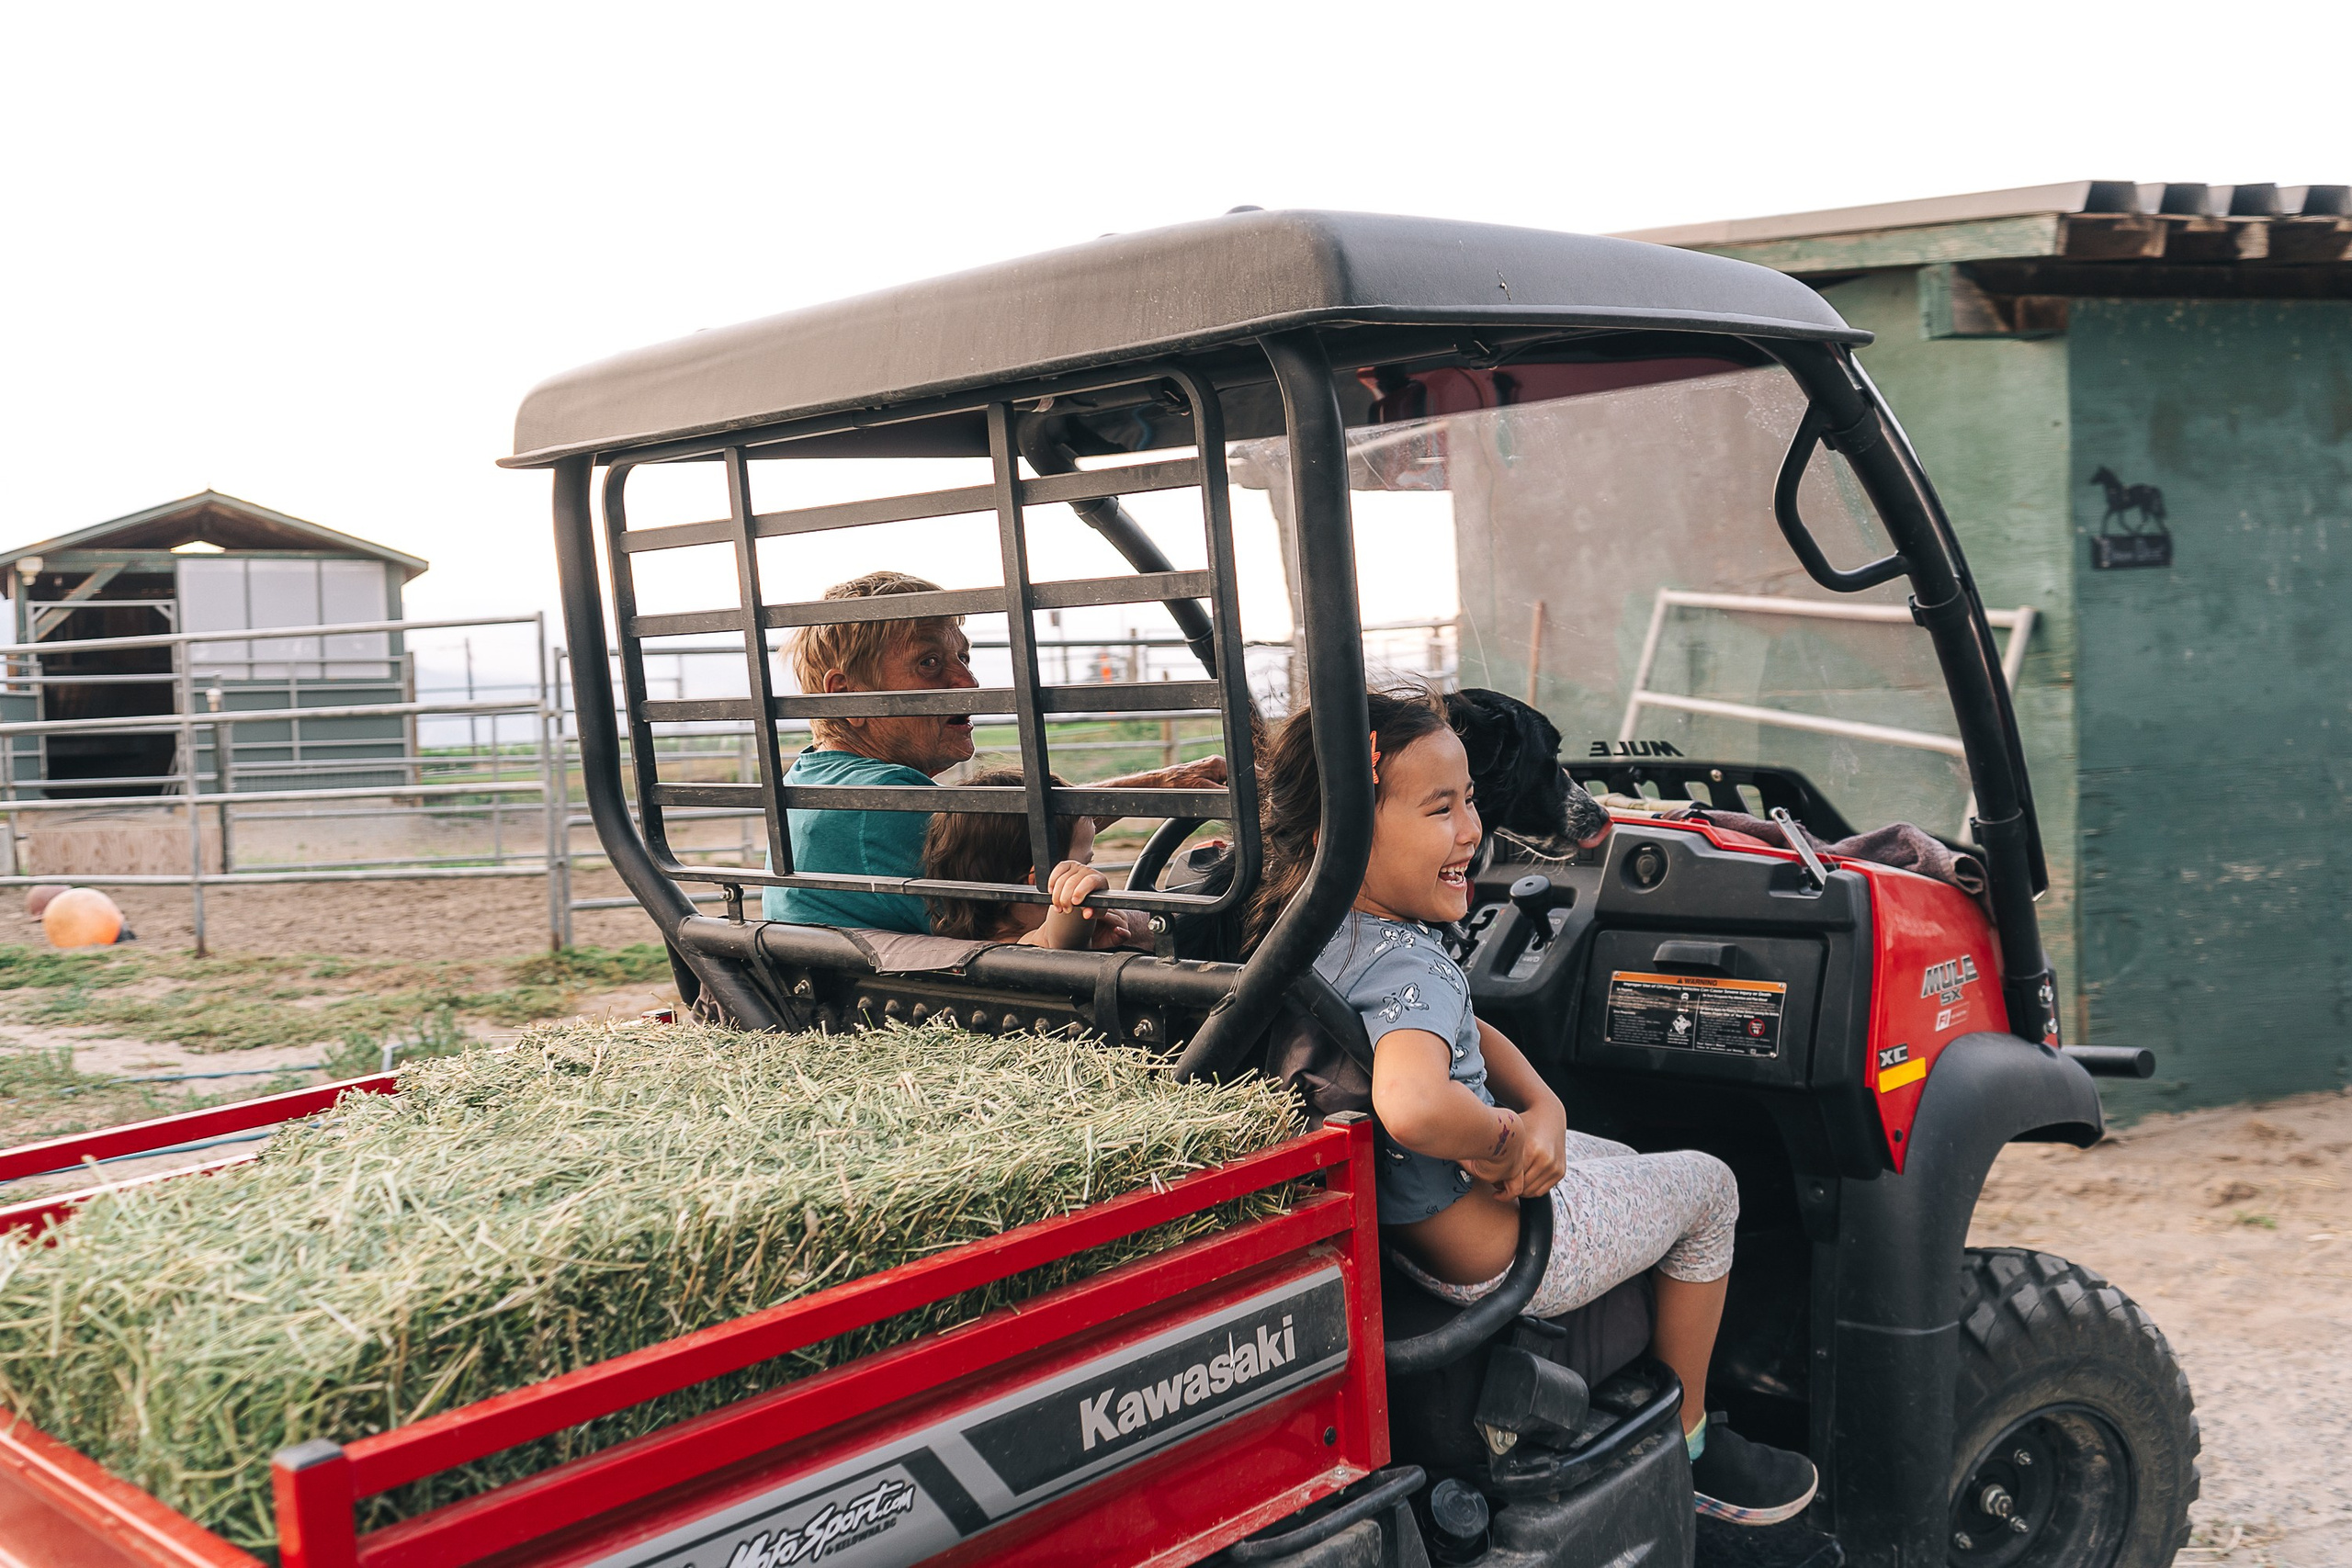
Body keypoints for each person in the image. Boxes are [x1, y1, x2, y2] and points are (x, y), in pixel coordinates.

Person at [1244, 682, 1817, 1528]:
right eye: (1441, 808)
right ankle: (1692, 1436)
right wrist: (1504, 1137)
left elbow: (1463, 1028)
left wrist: (1542, 1104)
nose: (1472, 830)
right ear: (1348, 832)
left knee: (1614, 1159)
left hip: (1409, 1233)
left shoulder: (1307, 933)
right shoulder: (1413, 965)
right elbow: (1411, 1103)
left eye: (1470, 799)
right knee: (1711, 1188)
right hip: (1496, 1256)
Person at [765, 571, 1224, 933]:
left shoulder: (816, 781)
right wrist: (1154, 788)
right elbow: (1025, 843)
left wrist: (1158, 786)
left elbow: (1017, 829)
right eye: (930, 664)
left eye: (964, 658)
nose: (968, 683)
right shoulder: (883, 805)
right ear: (846, 695)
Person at [921, 767, 1144, 948]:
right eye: (1083, 864)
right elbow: (1057, 940)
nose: (1086, 871)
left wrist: (1089, 932)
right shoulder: (1033, 944)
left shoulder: (963, 941)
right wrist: (1082, 896)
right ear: (1040, 880)